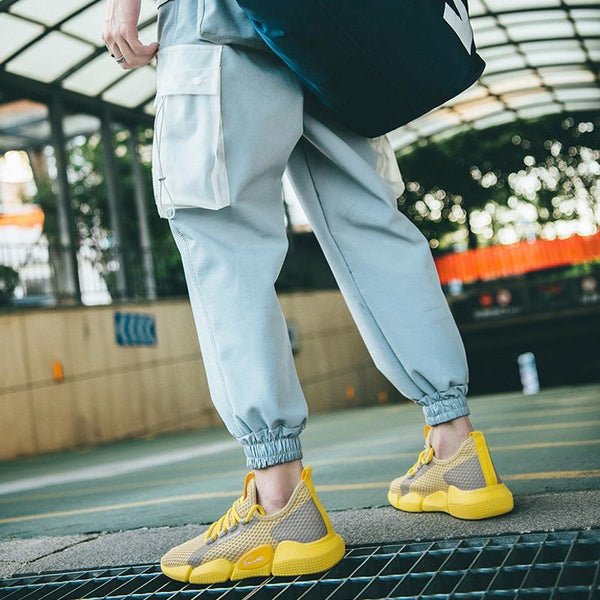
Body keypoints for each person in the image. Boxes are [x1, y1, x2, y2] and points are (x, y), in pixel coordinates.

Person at [102, 0, 514, 585]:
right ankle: (457, 450)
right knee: (369, 222)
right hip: (335, 23)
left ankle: (279, 500)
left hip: (219, 20)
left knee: (223, 235)